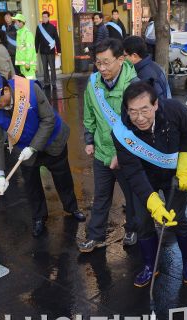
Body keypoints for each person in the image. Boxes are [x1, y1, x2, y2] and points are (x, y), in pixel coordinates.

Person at [0, 70, 86, 237]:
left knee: (62, 178)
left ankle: (72, 208)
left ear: (6, 89)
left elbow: (48, 120)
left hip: (52, 141)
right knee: (32, 185)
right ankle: (39, 217)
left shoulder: (29, 90)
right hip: (23, 148)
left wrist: (33, 147)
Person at [113, 82, 187, 287]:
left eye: (145, 110)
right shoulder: (121, 132)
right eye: (133, 112)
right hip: (144, 177)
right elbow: (132, 171)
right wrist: (153, 203)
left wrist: (185, 170)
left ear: (156, 105)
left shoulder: (175, 111)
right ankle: (150, 265)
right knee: (142, 222)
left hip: (173, 175)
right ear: (126, 110)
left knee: (177, 219)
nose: (139, 118)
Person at [78, 38, 138, 253]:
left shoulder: (134, 85)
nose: (102, 68)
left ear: (121, 59)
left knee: (132, 195)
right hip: (102, 152)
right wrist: (88, 139)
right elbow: (89, 113)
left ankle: (133, 228)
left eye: (106, 63)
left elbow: (137, 125)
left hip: (127, 153)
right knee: (101, 195)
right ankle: (95, 236)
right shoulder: (93, 82)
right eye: (98, 63)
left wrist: (121, 154)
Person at [123, 35, 171, 100]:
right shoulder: (154, 65)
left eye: (124, 55)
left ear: (134, 56)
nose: (122, 59)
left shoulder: (144, 76)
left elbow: (154, 102)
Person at [35, 11, 61, 89]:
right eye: (43, 17)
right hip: (42, 51)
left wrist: (59, 50)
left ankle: (53, 83)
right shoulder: (39, 27)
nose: (44, 18)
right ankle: (46, 83)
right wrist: (36, 51)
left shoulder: (52, 27)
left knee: (52, 68)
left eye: (45, 17)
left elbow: (57, 39)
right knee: (45, 68)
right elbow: (36, 40)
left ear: (48, 17)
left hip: (51, 52)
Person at [13, 14, 37, 80]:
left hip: (27, 64)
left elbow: (30, 49)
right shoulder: (19, 33)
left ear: (21, 22)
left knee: (31, 83)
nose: (15, 24)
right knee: (26, 84)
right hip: (23, 64)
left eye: (16, 22)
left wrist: (27, 62)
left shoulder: (27, 33)